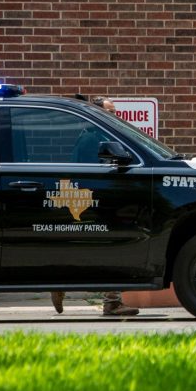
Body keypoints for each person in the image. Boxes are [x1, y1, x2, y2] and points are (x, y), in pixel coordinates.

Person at [52, 95, 140, 317]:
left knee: (93, 249)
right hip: (96, 202)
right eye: (109, 112)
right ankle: (111, 302)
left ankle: (61, 280)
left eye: (114, 112)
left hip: (94, 200)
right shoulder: (94, 138)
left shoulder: (95, 136)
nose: (113, 116)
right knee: (111, 249)